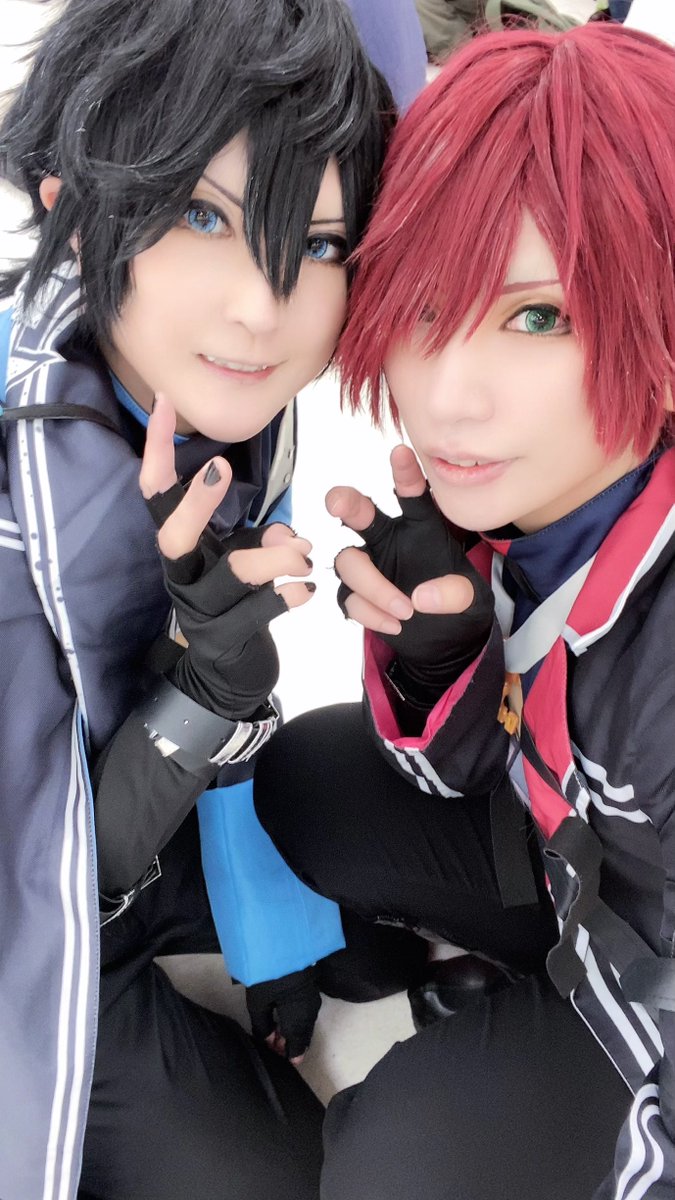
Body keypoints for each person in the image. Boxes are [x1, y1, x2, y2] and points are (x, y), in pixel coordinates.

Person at [254, 20, 675, 1200]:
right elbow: (487, 766)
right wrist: (441, 651)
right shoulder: (543, 497)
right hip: (583, 876)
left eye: (540, 316)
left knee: (391, 1164)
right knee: (309, 781)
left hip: (648, 993)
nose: (447, 395)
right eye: (427, 308)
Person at [0, 1, 394, 1197]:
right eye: (200, 216)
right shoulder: (20, 507)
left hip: (133, 822)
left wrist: (272, 931)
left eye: (315, 243)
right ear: (76, 210)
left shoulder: (224, 410)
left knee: (380, 925)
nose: (262, 308)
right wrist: (207, 687)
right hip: (38, 905)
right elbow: (40, 876)